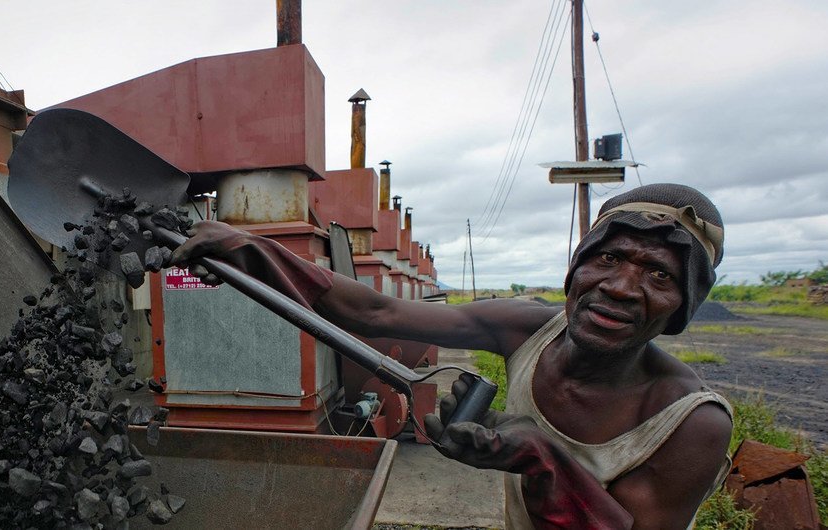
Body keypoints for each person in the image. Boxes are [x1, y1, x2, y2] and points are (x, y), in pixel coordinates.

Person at [169, 183, 732, 529]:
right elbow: (377, 314)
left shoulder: (687, 421)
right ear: (578, 267)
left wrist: (538, 459)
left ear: (684, 302)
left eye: (658, 273)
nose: (622, 287)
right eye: (609, 259)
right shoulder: (531, 328)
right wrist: (256, 252)